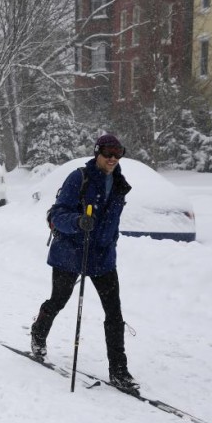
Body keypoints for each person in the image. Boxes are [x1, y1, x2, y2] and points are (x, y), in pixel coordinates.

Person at [30, 134, 136, 390]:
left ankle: (119, 371)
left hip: (102, 256)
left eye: (117, 153)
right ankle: (38, 333)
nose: (112, 158)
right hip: (71, 252)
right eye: (108, 153)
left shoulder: (120, 183)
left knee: (114, 312)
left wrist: (110, 241)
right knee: (59, 301)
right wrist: (77, 221)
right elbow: (57, 214)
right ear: (97, 153)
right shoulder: (80, 178)